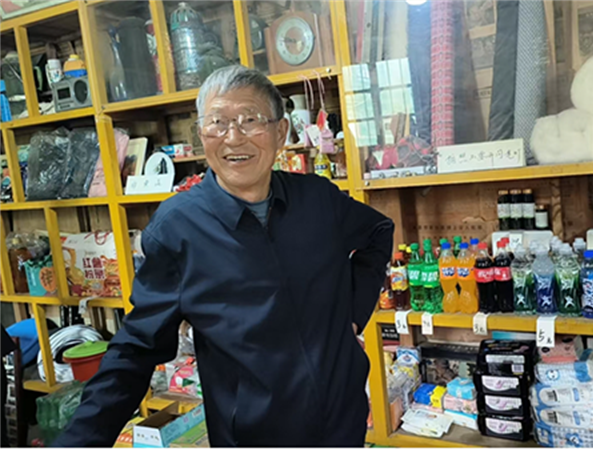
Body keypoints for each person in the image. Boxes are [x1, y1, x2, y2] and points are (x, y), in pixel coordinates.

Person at [54, 65, 394, 447]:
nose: (233, 137)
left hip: (342, 422)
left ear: (280, 132)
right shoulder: (178, 228)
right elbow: (136, 349)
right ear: (202, 135)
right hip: (254, 436)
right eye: (217, 122)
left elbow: (378, 232)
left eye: (251, 119)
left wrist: (352, 314)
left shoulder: (317, 198)